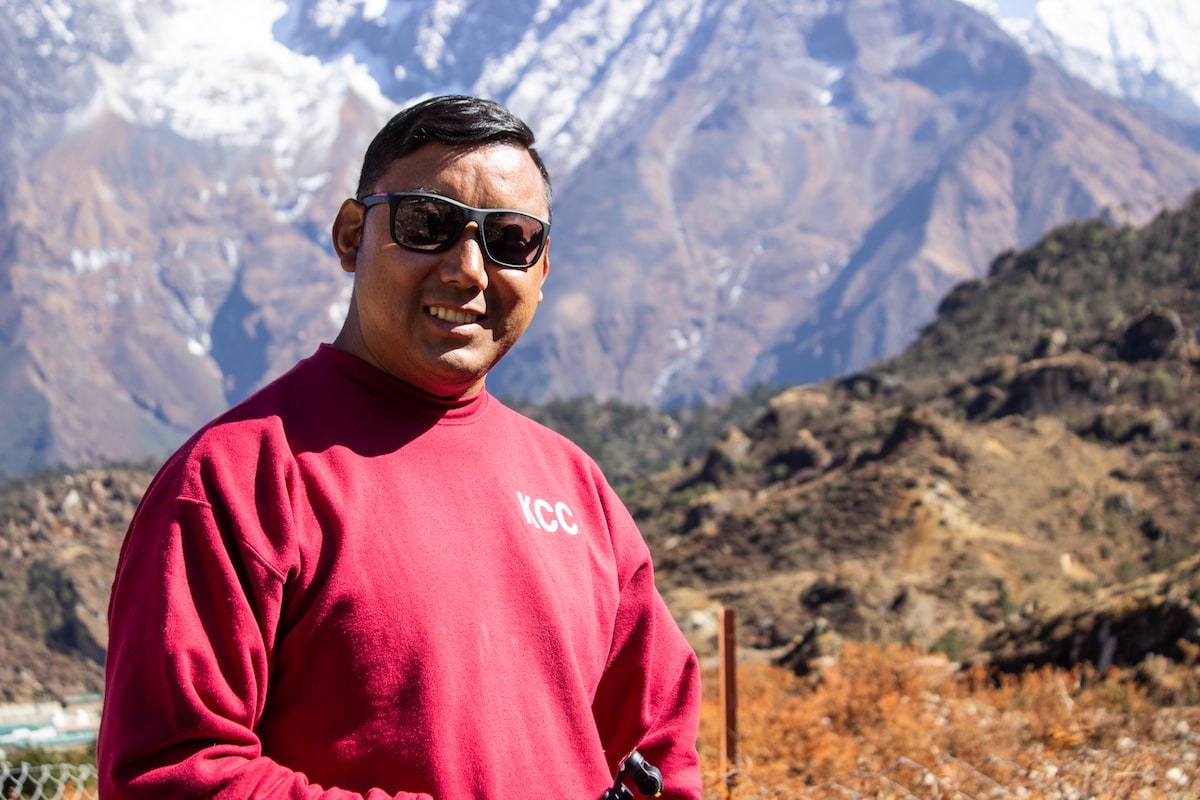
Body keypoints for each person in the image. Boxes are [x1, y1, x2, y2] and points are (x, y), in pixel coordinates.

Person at [97, 95, 702, 800]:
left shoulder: (577, 488)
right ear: (352, 236)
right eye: (428, 224)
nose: (470, 270)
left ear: (541, 269)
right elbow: (169, 772)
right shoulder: (237, 480)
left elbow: (661, 750)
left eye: (511, 239)